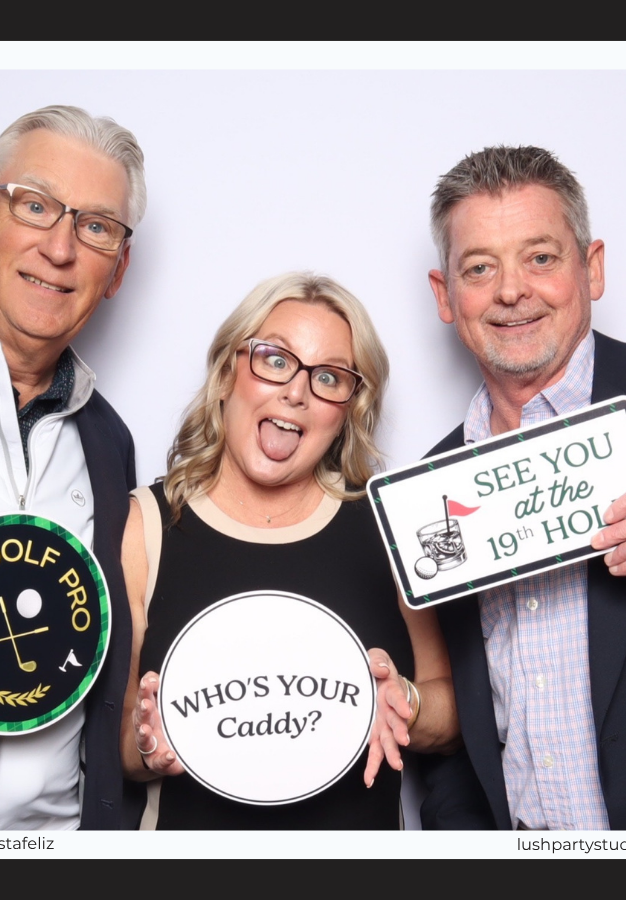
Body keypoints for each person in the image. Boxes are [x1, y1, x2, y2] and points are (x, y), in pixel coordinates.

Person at [373, 145, 626, 831]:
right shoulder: (426, 494)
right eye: (479, 267)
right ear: (445, 295)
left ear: (592, 267)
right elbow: (465, 733)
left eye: (540, 257)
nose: (511, 290)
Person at [119, 271, 453, 829]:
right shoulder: (144, 525)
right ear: (229, 372)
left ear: (348, 407)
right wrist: (145, 742)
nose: (296, 392)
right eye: (275, 359)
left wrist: (407, 703)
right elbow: (122, 742)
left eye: (329, 376)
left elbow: (450, 715)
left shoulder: (389, 523)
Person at [0, 105, 147, 830]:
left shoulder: (110, 442)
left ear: (117, 270)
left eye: (95, 227)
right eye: (35, 205)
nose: (60, 248)